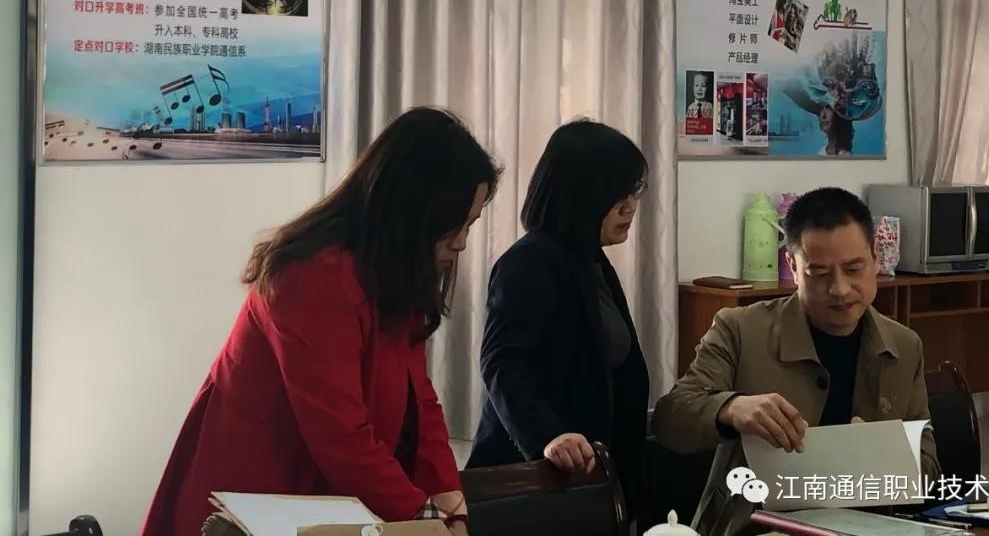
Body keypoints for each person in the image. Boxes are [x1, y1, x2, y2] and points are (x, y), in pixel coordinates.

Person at [141, 108, 500, 536]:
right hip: (258, 500)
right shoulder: (315, 274)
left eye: (469, 225)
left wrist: (448, 498)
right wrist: (426, 520)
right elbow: (341, 436)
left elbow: (418, 399)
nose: (461, 243)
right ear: (409, 213)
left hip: (324, 498)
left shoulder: (393, 271)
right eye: (452, 226)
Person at [653, 188, 940, 536]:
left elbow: (929, 470)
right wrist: (730, 408)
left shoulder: (903, 345)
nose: (840, 288)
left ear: (875, 258)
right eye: (819, 273)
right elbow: (671, 418)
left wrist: (883, 454)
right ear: (793, 266)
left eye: (853, 268)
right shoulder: (740, 329)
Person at [467, 120, 651, 516]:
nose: (630, 206)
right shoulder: (529, 261)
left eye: (633, 191)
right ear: (582, 195)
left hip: (587, 478)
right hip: (541, 481)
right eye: (617, 194)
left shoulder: (590, 259)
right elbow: (502, 363)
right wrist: (548, 436)